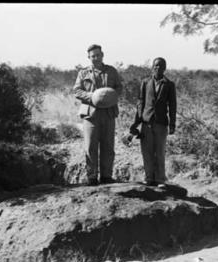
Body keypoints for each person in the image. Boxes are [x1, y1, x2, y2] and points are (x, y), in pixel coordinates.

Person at [73, 44, 123, 186]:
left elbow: (119, 87)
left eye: (98, 55)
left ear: (102, 55)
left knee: (108, 145)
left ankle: (107, 176)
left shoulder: (112, 71)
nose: (95, 58)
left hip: (108, 113)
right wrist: (93, 96)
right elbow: (76, 90)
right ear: (89, 57)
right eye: (92, 56)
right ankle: (92, 176)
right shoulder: (83, 73)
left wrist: (110, 96)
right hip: (91, 114)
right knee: (91, 146)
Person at [131, 57, 176, 188]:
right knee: (147, 152)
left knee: (160, 152)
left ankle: (161, 180)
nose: (157, 68)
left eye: (160, 66)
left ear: (165, 68)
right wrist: (137, 122)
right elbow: (141, 102)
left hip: (161, 123)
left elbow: (173, 106)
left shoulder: (169, 84)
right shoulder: (145, 82)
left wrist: (172, 124)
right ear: (152, 67)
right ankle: (149, 178)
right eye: (155, 65)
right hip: (146, 122)